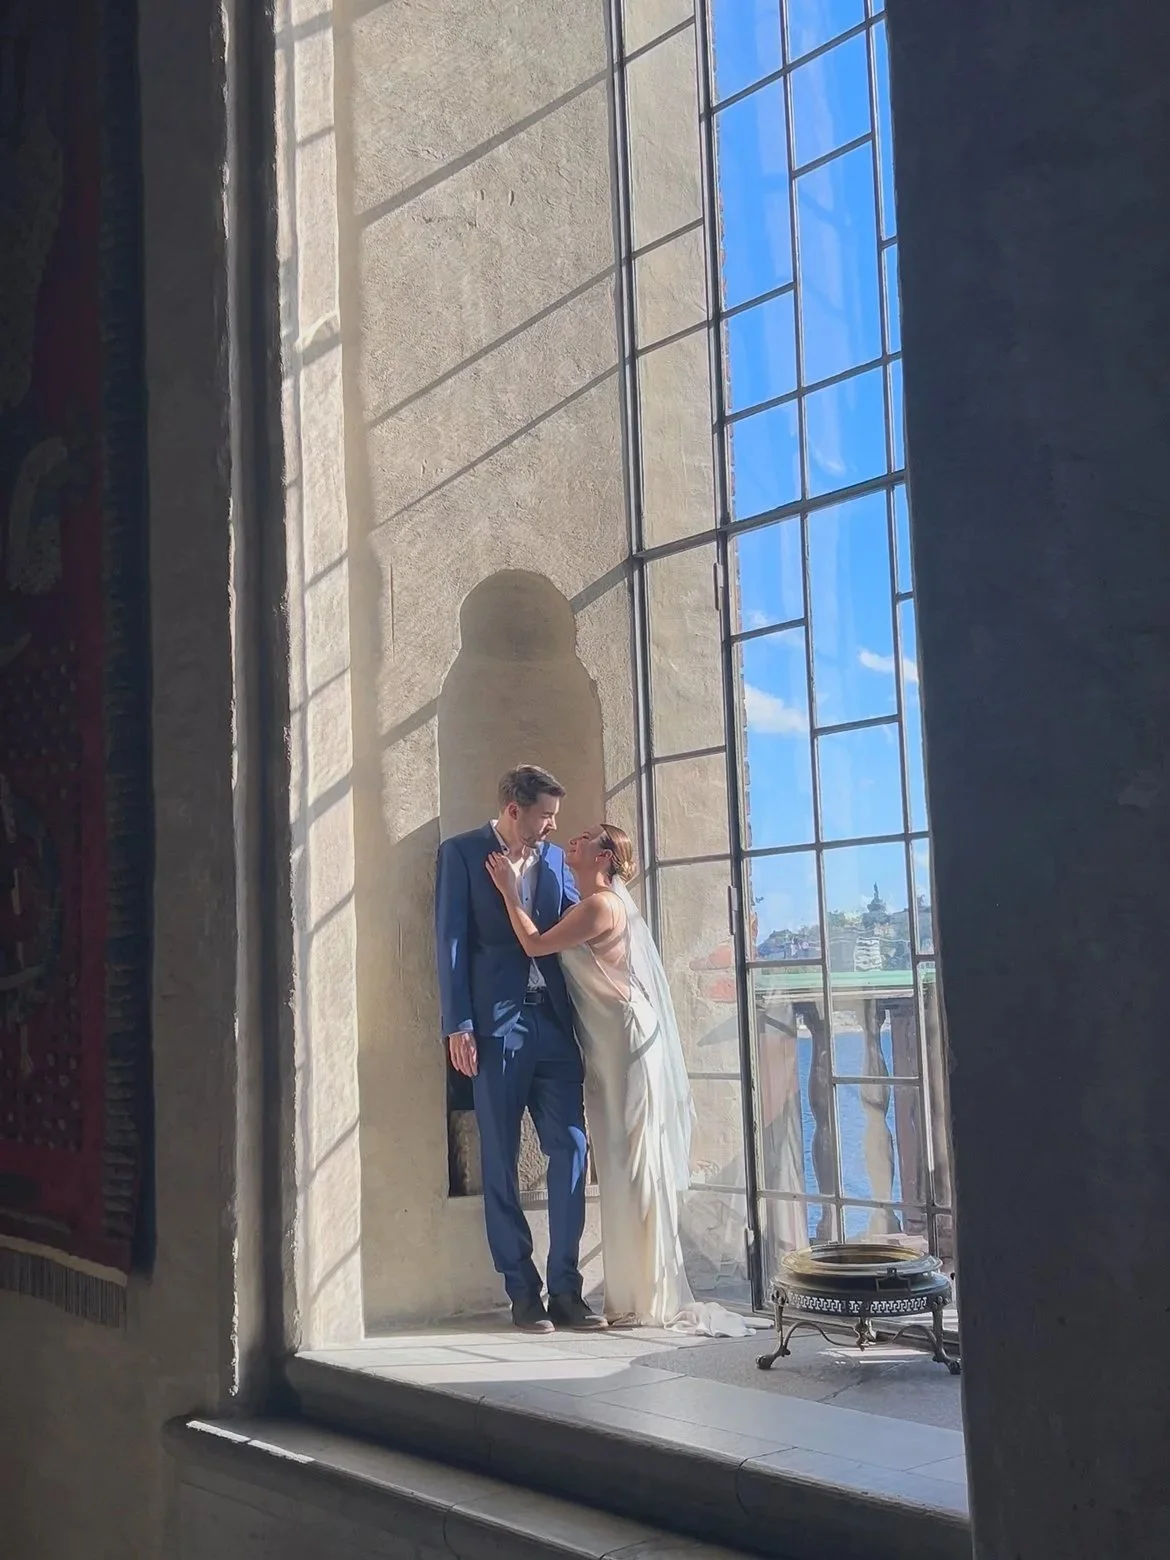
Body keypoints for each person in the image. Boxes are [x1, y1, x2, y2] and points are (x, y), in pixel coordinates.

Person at [486, 823, 756, 1336]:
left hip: (627, 1038)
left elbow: (536, 944)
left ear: (605, 856)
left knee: (635, 1160)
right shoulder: (587, 899)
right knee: (619, 1159)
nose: (574, 839)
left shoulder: (601, 905)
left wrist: (508, 890)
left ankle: (650, 1290)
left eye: (586, 837)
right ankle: (633, 1289)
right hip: (608, 1043)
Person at [435, 765, 604, 1334]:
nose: (553, 826)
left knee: (573, 1150)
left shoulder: (557, 861)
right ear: (514, 810)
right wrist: (458, 1022)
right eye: (545, 816)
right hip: (493, 1028)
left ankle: (566, 1289)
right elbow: (452, 941)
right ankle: (522, 1292)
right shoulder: (461, 854)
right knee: (500, 1161)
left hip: (554, 1026)